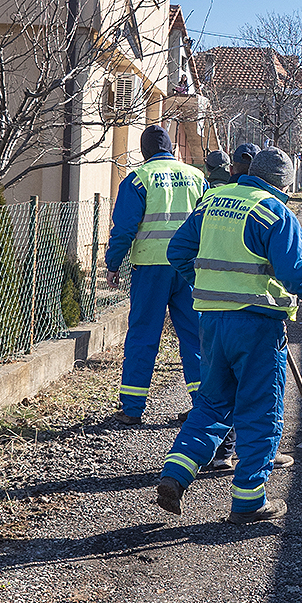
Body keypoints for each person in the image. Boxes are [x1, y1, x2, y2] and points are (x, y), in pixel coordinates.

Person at [156, 147, 302, 524]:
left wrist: (207, 286)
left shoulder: (214, 201)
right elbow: (295, 274)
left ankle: (175, 474)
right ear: (285, 183)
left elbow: (178, 252)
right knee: (260, 410)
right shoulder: (276, 213)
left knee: (211, 404)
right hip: (257, 324)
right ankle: (248, 501)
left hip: (211, 320)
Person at [105, 125, 206, 424]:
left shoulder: (138, 179)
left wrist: (113, 263)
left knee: (143, 336)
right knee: (195, 337)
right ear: (172, 148)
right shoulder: (197, 177)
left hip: (150, 269)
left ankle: (133, 408)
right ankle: (203, 406)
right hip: (189, 268)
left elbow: (124, 229)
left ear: (144, 152)